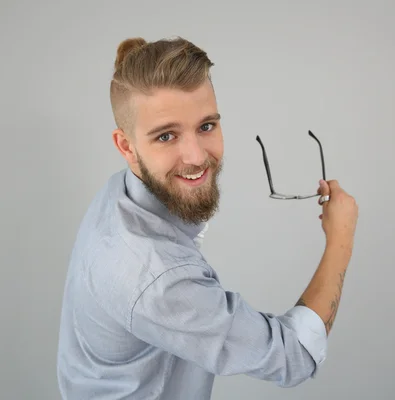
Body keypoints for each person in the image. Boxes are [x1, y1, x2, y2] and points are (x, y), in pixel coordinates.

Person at [56, 36, 358, 399]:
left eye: (206, 126)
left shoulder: (119, 193)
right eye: (166, 136)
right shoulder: (157, 279)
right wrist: (341, 238)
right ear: (126, 147)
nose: (196, 156)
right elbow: (294, 355)